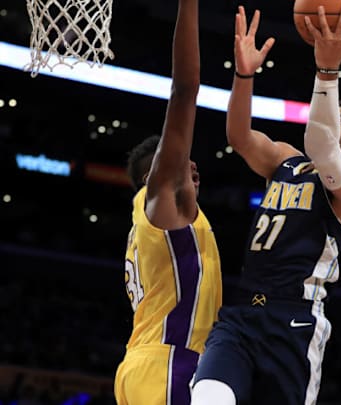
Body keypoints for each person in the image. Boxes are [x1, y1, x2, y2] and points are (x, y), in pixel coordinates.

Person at [190, 5, 341, 405]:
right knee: (208, 396)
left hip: (294, 320)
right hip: (242, 312)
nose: (332, 121)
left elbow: (323, 145)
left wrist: (327, 72)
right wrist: (244, 75)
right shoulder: (285, 160)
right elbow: (239, 136)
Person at [113, 0, 222, 403]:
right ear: (155, 173)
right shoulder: (159, 201)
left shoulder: (157, 222)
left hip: (149, 364)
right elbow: (184, 92)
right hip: (167, 364)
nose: (192, 167)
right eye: (181, 162)